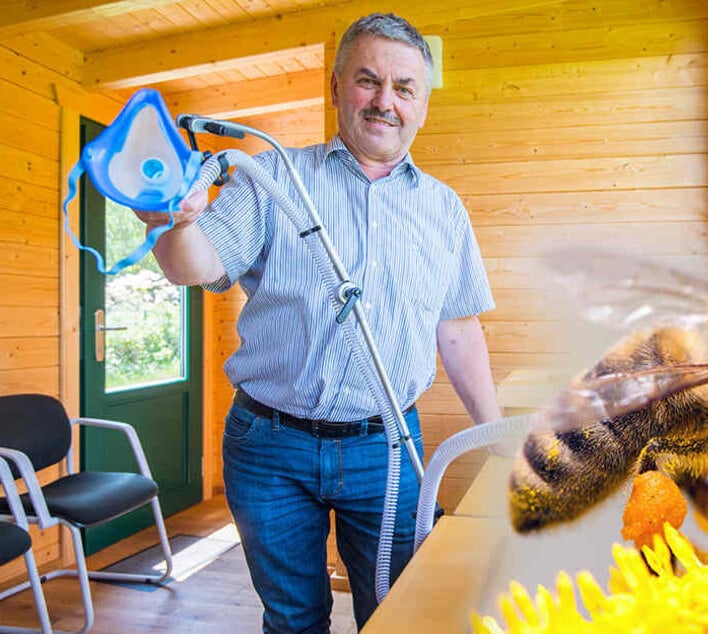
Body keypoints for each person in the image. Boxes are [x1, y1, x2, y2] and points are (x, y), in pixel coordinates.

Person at [135, 12, 501, 633]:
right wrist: (173, 222)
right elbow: (192, 266)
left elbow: (458, 327)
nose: (385, 101)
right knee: (293, 619)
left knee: (404, 614)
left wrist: (492, 434)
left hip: (387, 447)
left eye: (404, 88)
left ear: (423, 104)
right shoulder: (274, 176)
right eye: (367, 81)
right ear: (336, 88)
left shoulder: (445, 208)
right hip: (268, 447)